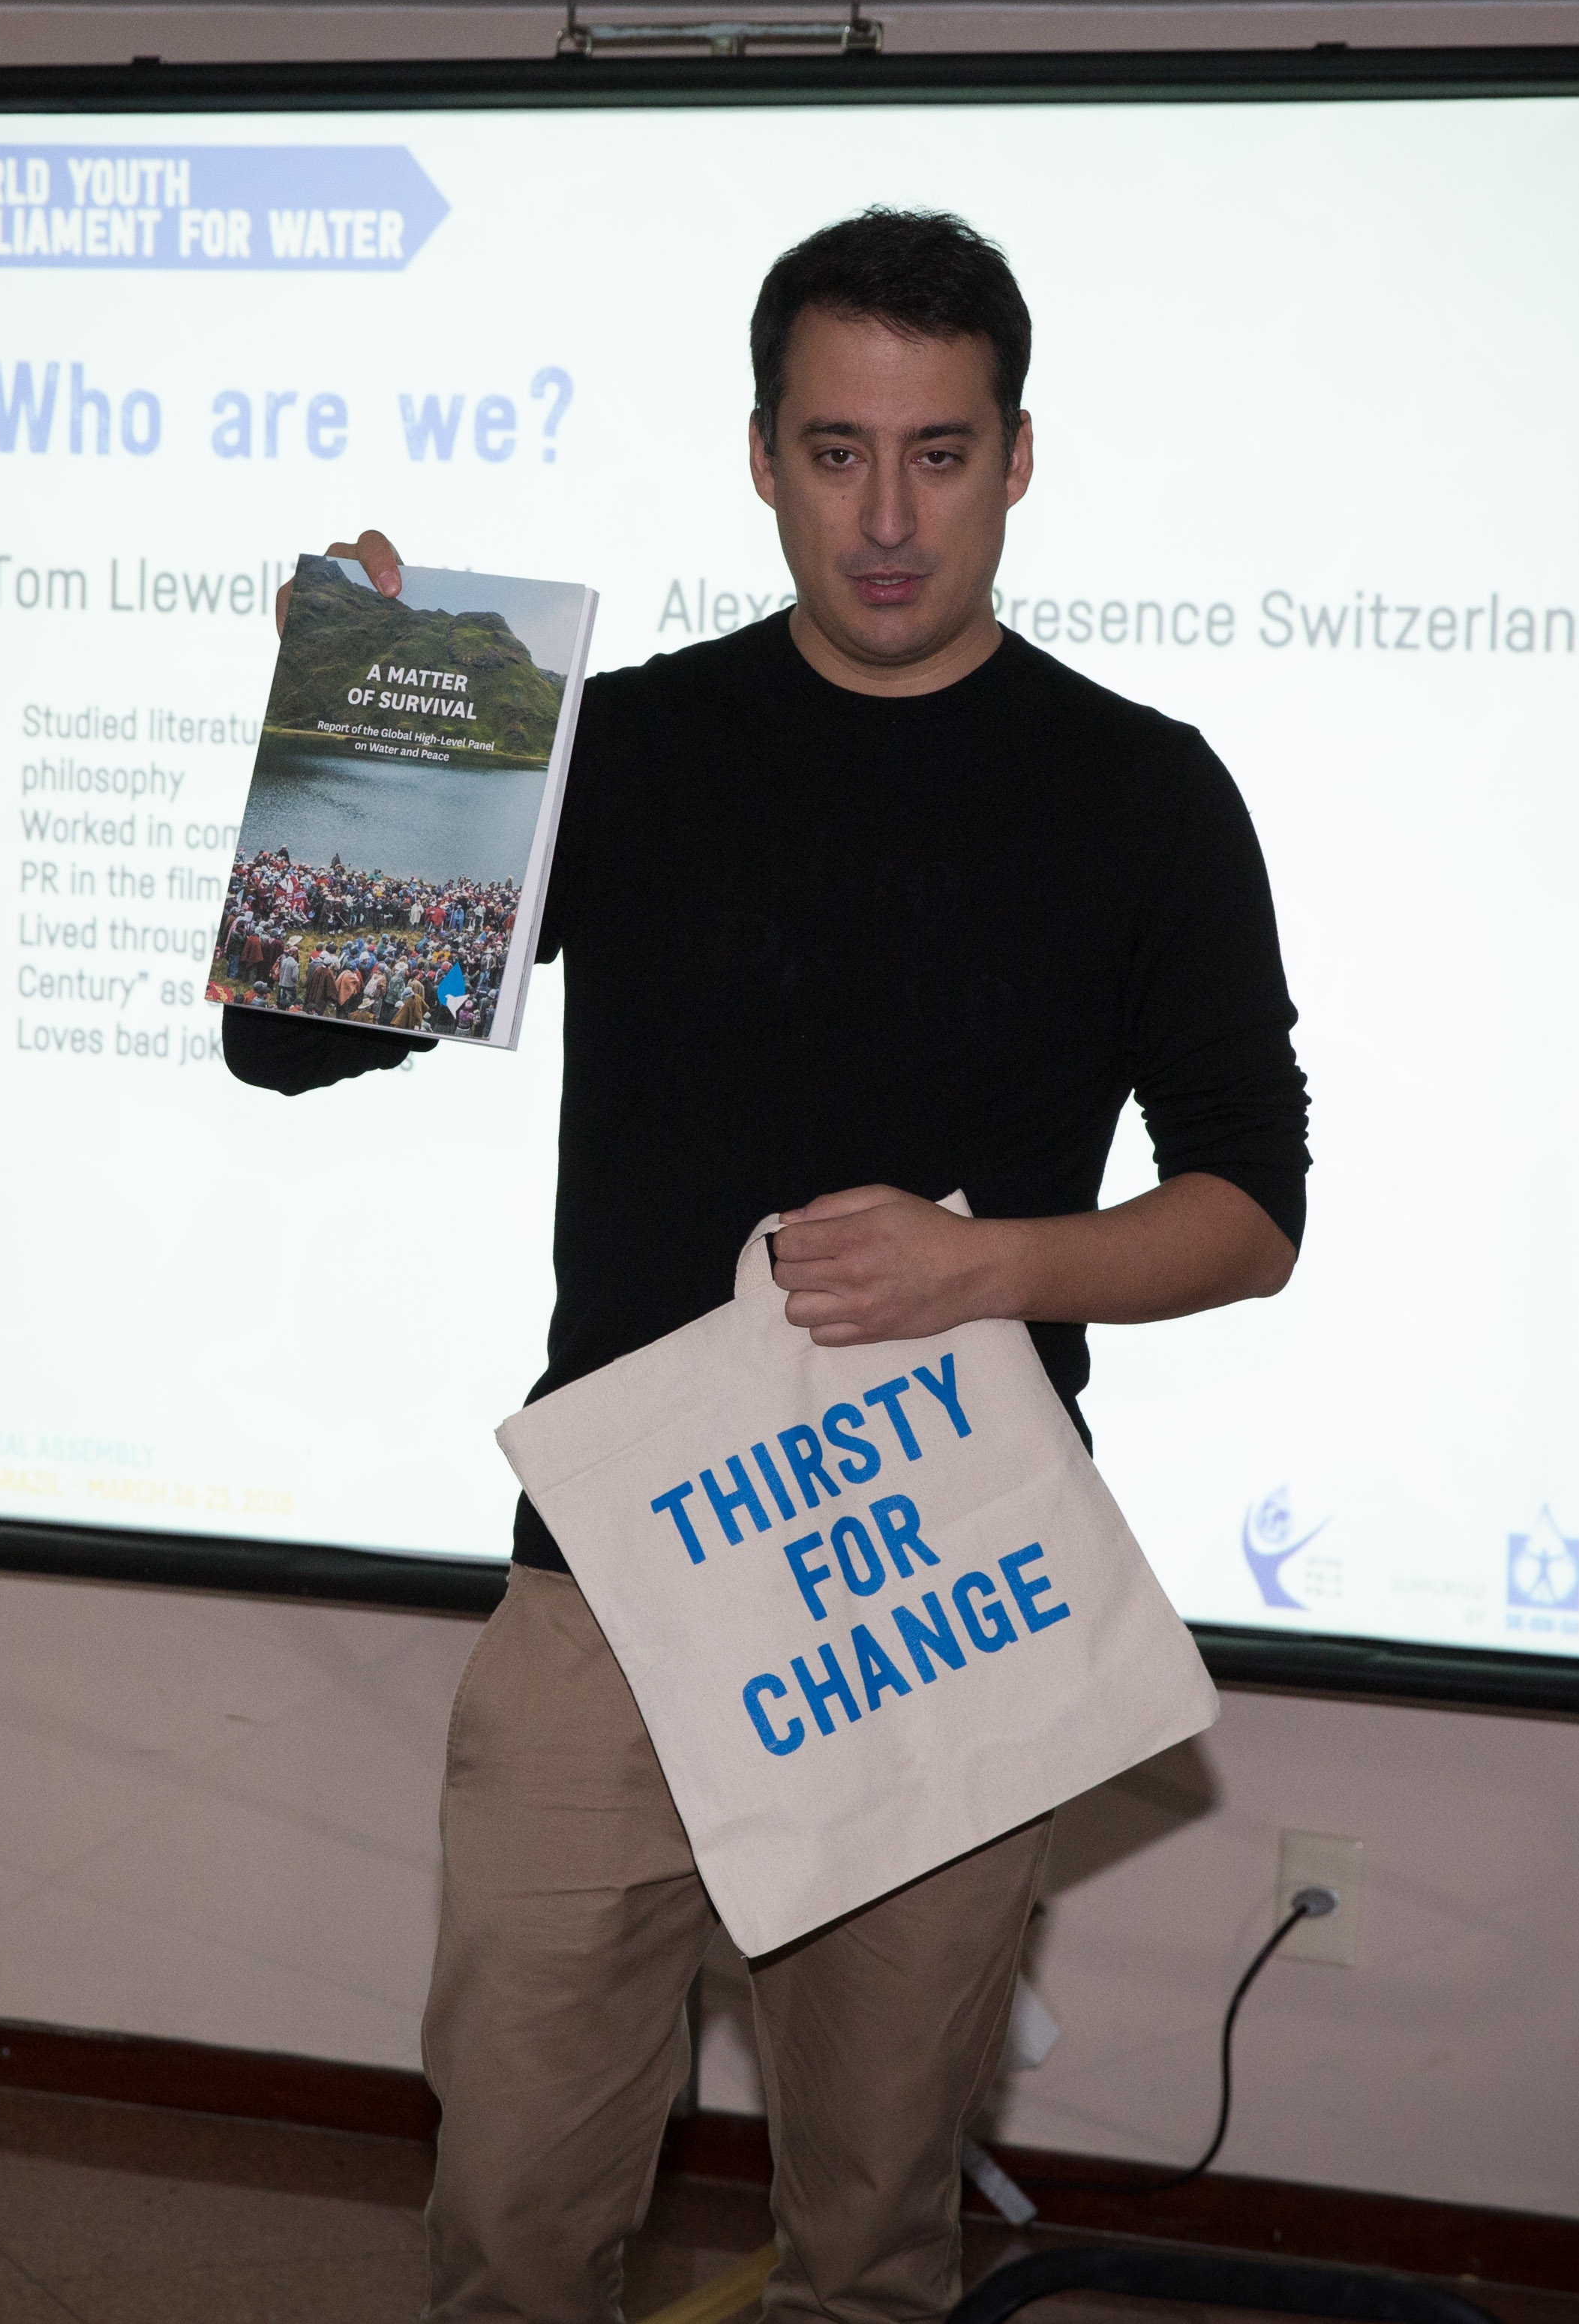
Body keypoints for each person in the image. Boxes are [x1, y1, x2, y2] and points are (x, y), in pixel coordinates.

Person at [229, 209, 1310, 2324]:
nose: (886, 517)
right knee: (508, 2220)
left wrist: (985, 1264)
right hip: (606, 1590)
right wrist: (365, 738)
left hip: (929, 1584)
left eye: (936, 453)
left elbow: (1246, 1210)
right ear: (757, 457)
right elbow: (287, 1044)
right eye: (834, 452)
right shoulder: (621, 745)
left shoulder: (1143, 792)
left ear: (1015, 457)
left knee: (870, 2249)